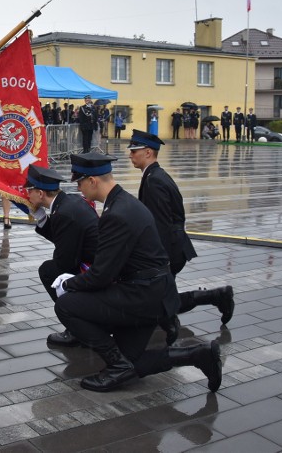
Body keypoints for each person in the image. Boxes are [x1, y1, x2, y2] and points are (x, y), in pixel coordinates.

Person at [53, 152, 222, 392]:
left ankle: (117, 365)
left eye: (79, 182)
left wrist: (68, 285)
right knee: (131, 362)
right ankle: (198, 354)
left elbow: (102, 275)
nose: (78, 188)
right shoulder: (124, 202)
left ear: (92, 181)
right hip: (152, 293)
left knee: (66, 305)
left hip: (143, 296)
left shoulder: (116, 213)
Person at [127, 130, 235, 344]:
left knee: (160, 302)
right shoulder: (155, 175)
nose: (130, 155)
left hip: (169, 249)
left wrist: (159, 258)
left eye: (134, 151)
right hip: (173, 247)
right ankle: (215, 296)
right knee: (162, 300)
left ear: (148, 152)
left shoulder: (154, 181)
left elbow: (160, 224)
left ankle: (180, 332)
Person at [26, 164, 99, 346]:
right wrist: (42, 218)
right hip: (96, 259)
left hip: (97, 268)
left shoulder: (64, 213)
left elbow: (65, 261)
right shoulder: (67, 203)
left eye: (29, 190)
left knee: (50, 272)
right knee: (53, 269)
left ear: (41, 194)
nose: (27, 195)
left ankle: (78, 327)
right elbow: (63, 237)